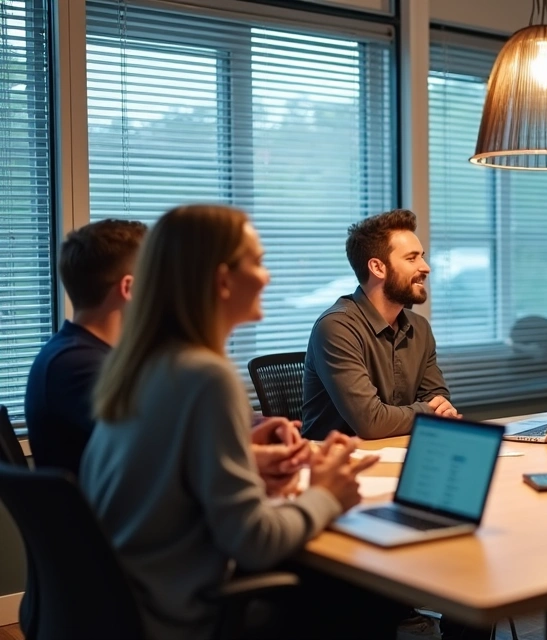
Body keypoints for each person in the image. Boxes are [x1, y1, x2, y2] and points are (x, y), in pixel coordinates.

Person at [80, 204, 385, 639]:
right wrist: (327, 495)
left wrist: (244, 462)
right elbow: (255, 543)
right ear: (223, 280)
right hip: (180, 616)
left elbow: (162, 481)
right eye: (258, 262)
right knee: (361, 598)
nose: (267, 277)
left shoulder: (142, 363)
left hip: (124, 607)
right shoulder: (205, 375)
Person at [302, 209, 458, 440]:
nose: (425, 267)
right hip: (334, 465)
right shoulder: (336, 327)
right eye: (411, 258)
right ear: (377, 267)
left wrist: (433, 411)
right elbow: (371, 422)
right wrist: (428, 412)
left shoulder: (419, 328)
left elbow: (440, 401)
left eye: (422, 256)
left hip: (398, 452)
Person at [24, 219, 146, 475]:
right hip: (110, 514)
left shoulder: (82, 354)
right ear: (129, 288)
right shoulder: (77, 365)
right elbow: (168, 452)